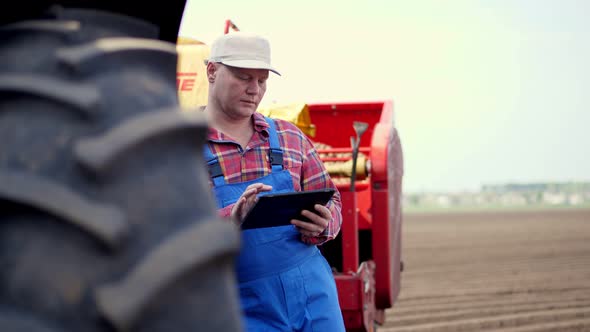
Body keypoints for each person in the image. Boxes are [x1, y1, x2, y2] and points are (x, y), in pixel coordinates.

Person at [202, 31, 346, 331]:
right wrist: (231, 219)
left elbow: (332, 198)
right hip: (239, 306)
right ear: (212, 71)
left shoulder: (290, 137)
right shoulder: (180, 150)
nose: (254, 89)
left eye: (262, 80)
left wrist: (324, 224)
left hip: (314, 297)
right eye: (243, 77)